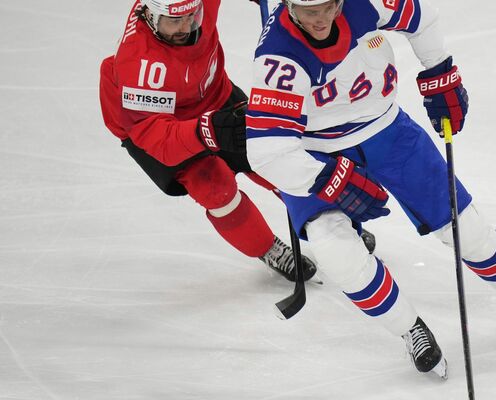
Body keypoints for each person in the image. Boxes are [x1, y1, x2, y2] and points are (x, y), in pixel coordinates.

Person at [245, 0, 496, 378]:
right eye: (307, 11)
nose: (319, 19)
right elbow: (267, 151)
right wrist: (330, 179)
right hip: (315, 153)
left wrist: (440, 72)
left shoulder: (365, 4)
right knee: (338, 254)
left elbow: (422, 17)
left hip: (388, 131)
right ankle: (409, 328)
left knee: (463, 224)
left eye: (327, 6)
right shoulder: (276, 58)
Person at [98, 0, 326, 282]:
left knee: (273, 154)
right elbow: (159, 140)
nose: (186, 27)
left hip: (214, 96)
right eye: (174, 21)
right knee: (215, 189)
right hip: (156, 125)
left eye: (192, 16)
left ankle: (327, 225)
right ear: (149, 15)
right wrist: (206, 130)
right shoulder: (138, 65)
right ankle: (268, 248)